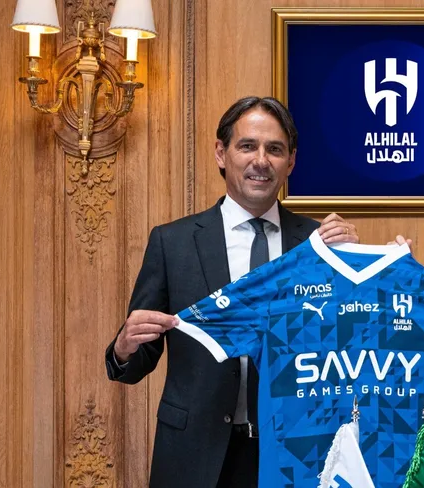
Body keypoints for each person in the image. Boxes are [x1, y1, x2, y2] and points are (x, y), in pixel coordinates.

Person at [104, 96, 359, 488]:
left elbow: (351, 345)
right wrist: (124, 347)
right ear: (221, 153)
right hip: (195, 455)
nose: (261, 160)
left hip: (296, 453)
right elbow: (138, 361)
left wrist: (356, 266)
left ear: (291, 162)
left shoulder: (320, 242)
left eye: (275, 149)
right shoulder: (173, 243)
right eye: (247, 146)